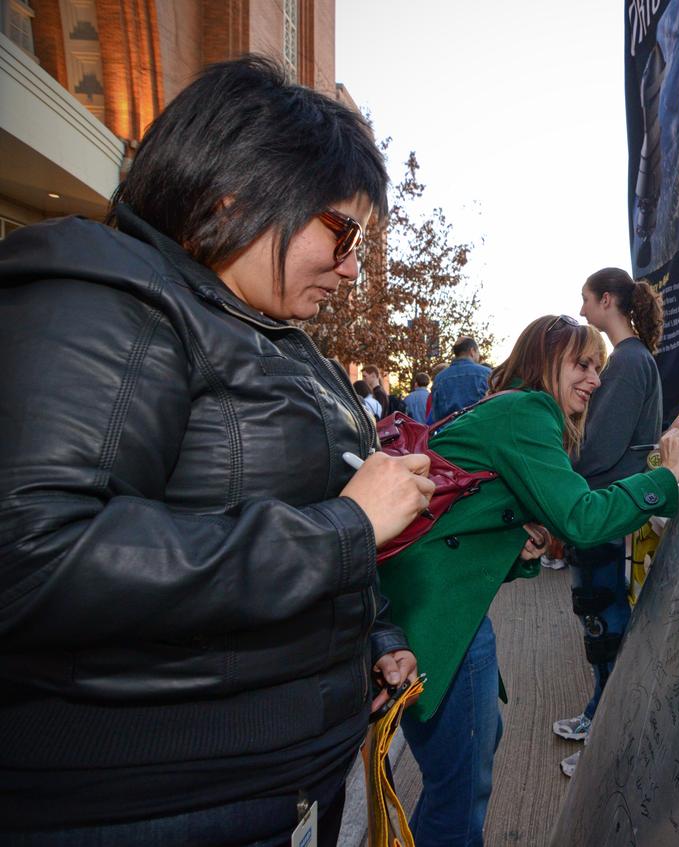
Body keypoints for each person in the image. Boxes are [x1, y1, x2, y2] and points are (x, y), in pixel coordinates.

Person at [0, 56, 434, 846]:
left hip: (279, 776)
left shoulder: (268, 331)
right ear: (237, 196)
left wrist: (373, 636)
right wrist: (344, 528)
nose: (350, 266)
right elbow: (34, 556)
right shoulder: (111, 296)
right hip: (156, 802)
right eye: (341, 232)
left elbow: (278, 507)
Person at [378, 314, 679, 846]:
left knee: (470, 752)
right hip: (442, 615)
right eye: (582, 364)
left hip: (424, 603)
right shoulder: (528, 412)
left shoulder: (505, 406)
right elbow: (583, 518)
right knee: (461, 786)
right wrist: (667, 477)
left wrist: (517, 541)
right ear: (546, 362)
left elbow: (466, 514)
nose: (595, 379)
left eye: (598, 367)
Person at [555, 266, 665, 776]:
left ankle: (609, 740)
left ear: (606, 300)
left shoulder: (626, 361)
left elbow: (599, 446)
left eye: (585, 299)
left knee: (603, 620)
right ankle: (600, 714)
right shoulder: (633, 359)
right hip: (612, 503)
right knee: (600, 616)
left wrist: (560, 478)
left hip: (605, 506)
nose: (581, 310)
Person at [426, 336, 492, 423]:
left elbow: (436, 415)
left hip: (448, 429)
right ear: (472, 351)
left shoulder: (439, 378)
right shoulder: (486, 374)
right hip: (478, 427)